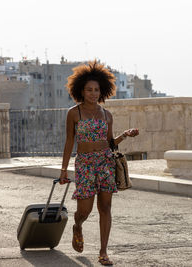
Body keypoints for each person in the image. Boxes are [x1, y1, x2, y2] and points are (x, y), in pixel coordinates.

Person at [59, 60, 139, 265]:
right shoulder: (73, 113)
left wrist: (125, 135)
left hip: (105, 162)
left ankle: (103, 252)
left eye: (96, 90)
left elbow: (110, 143)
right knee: (84, 210)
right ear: (81, 91)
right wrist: (64, 170)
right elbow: (70, 142)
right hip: (84, 163)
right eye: (89, 90)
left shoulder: (107, 115)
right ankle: (77, 225)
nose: (93, 93)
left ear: (102, 91)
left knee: (105, 207)